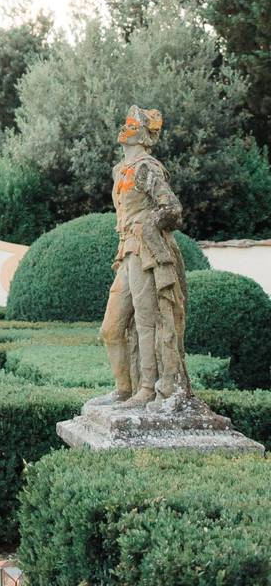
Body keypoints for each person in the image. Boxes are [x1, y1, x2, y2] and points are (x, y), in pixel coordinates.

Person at [97, 105, 191, 408]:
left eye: (131, 124)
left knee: (146, 320)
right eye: (125, 123)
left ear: (142, 134)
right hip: (126, 250)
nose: (124, 128)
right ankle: (124, 388)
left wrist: (147, 226)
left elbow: (172, 209)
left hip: (144, 250)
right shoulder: (121, 169)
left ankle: (147, 389)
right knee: (112, 326)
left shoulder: (147, 168)